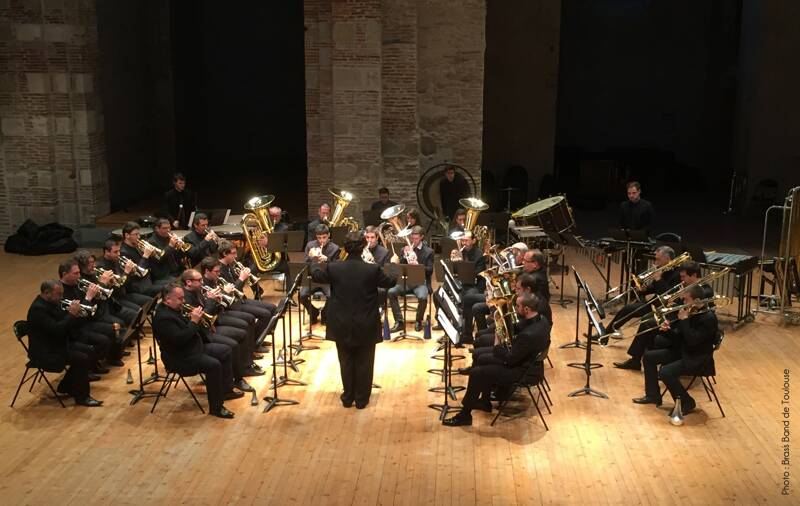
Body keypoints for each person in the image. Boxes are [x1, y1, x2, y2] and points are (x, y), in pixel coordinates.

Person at [311, 231, 397, 408]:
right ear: (363, 247)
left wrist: (316, 260)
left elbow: (317, 276)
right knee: (365, 362)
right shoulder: (372, 269)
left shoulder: (334, 267)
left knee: (346, 361)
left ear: (345, 248)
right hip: (365, 322)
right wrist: (394, 265)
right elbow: (390, 282)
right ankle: (362, 399)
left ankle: (348, 397)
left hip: (341, 322)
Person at [443, 293, 551, 427]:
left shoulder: (529, 335)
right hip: (526, 363)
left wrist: (497, 343)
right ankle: (484, 401)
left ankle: (465, 415)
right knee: (481, 358)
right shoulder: (541, 319)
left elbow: (510, 359)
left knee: (477, 373)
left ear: (527, 309)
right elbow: (519, 329)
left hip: (522, 371)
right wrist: (502, 324)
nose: (516, 309)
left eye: (518, 306)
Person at [152, 284, 242, 419]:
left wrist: (200, 321)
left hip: (192, 348)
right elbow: (180, 340)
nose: (183, 302)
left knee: (225, 350)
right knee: (214, 365)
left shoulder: (175, 308)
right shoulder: (163, 318)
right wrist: (194, 322)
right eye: (180, 299)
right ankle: (216, 407)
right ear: (167, 300)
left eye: (183, 298)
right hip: (180, 357)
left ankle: (226, 390)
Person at [633, 285, 719, 417]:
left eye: (686, 300)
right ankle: (653, 395)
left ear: (696, 301)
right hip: (684, 351)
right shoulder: (691, 311)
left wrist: (684, 321)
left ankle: (687, 402)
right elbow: (679, 339)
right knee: (649, 357)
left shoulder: (708, 318)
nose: (683, 303)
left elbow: (693, 341)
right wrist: (667, 331)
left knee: (665, 372)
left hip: (697, 358)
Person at [613, 260, 706, 371]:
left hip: (686, 326)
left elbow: (697, 313)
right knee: (647, 320)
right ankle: (638, 359)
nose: (681, 280)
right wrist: (675, 302)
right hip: (676, 318)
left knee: (648, 324)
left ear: (694, 275)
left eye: (684, 277)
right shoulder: (686, 286)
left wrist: (679, 304)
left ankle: (644, 360)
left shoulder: (704, 290)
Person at [26, 280, 102, 407]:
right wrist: (71, 314)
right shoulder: (38, 310)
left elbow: (63, 325)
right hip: (45, 352)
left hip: (57, 344)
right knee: (82, 358)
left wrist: (74, 314)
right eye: (59, 294)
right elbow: (57, 330)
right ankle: (82, 398)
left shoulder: (53, 303)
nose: (62, 297)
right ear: (47, 293)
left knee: (89, 350)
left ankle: (67, 386)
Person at [388, 225, 434, 333]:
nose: (413, 240)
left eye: (416, 238)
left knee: (423, 297)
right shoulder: (405, 249)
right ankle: (399, 321)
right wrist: (404, 256)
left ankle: (418, 320)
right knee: (391, 292)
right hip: (406, 282)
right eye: (412, 238)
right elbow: (400, 267)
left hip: (420, 283)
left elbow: (430, 270)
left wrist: (418, 265)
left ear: (422, 237)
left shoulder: (429, 251)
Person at [300, 224, 340, 325]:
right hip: (312, 279)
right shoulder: (310, 245)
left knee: (332, 296)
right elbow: (305, 265)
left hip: (327, 280)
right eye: (319, 238)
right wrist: (309, 257)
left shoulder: (335, 248)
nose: (322, 240)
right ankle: (313, 312)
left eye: (324, 237)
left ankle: (325, 314)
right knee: (302, 295)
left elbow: (338, 267)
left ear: (328, 235)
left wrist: (327, 259)